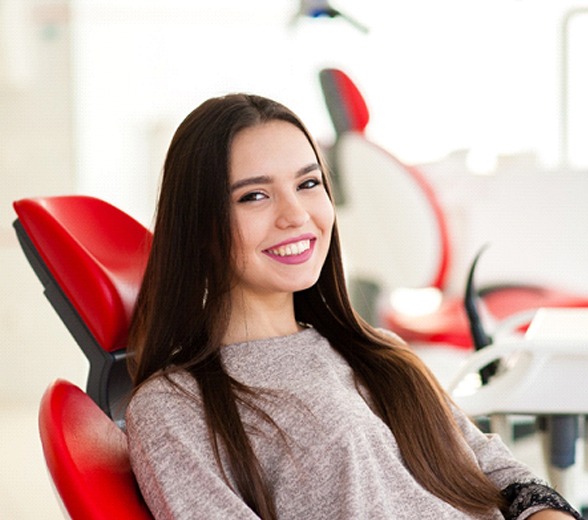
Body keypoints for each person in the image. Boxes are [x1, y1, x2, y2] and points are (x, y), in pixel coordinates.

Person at [125, 93, 581, 520]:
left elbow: (503, 475)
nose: (297, 215)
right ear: (199, 225)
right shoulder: (174, 407)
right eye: (255, 196)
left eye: (308, 183)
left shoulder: (380, 351)